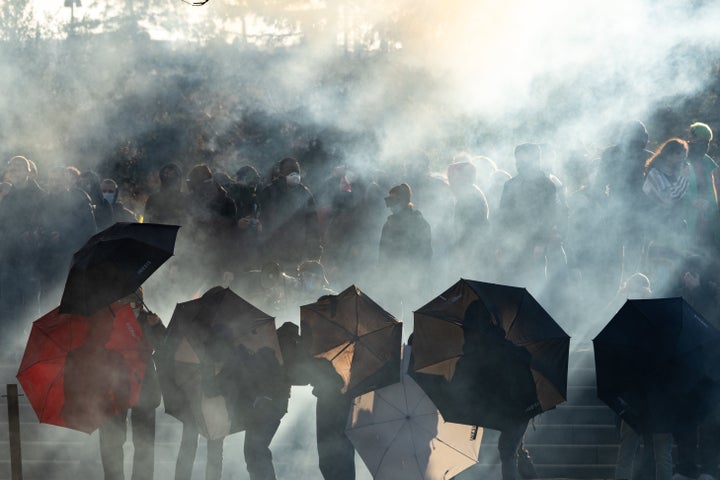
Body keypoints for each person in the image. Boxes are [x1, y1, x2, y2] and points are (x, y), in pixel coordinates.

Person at [98, 290, 166, 480]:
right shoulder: (108, 318)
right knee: (111, 442)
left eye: (131, 298)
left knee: (144, 444)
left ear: (140, 299)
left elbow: (167, 347)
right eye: (123, 298)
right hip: (115, 384)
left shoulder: (148, 319)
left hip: (143, 385)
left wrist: (158, 326)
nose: (127, 302)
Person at [258, 157, 322, 271]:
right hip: (274, 249)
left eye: (296, 171)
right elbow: (263, 219)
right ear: (281, 172)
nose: (294, 174)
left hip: (297, 250)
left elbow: (313, 222)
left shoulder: (304, 193)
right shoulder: (270, 192)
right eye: (290, 170)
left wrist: (314, 245)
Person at [378, 183, 432, 316]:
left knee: (411, 316)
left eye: (393, 200)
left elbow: (426, 253)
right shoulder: (389, 224)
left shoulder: (419, 223)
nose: (390, 206)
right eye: (388, 201)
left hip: (412, 279)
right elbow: (383, 254)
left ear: (403, 200)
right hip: (391, 278)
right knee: (391, 317)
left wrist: (418, 277)